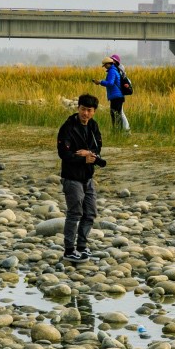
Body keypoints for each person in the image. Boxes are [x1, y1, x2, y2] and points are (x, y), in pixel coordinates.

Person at [57, 94, 107, 262]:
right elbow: (64, 153)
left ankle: (82, 247)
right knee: (75, 213)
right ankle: (69, 250)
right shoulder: (68, 127)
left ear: (94, 112)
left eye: (89, 110)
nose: (86, 113)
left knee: (91, 213)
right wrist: (82, 158)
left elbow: (97, 149)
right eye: (83, 109)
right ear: (78, 108)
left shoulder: (93, 126)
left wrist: (89, 154)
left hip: (88, 177)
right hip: (71, 177)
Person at [93, 56, 127, 131]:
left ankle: (117, 131)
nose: (104, 67)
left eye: (105, 65)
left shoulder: (112, 71)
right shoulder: (114, 70)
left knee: (115, 114)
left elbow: (110, 83)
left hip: (116, 96)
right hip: (117, 96)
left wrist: (100, 82)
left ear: (109, 64)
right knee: (117, 114)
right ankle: (118, 131)